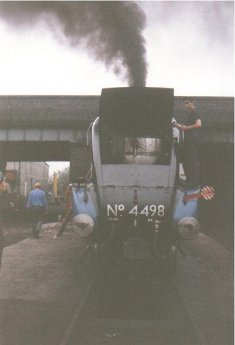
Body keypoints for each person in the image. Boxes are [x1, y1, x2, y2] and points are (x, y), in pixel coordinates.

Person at [174, 100, 202, 188]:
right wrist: (180, 126)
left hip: (191, 139)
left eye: (187, 103)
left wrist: (186, 128)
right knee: (189, 160)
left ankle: (192, 182)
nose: (185, 105)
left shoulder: (195, 112)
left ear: (192, 102)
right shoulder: (191, 113)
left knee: (191, 160)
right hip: (189, 139)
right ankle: (191, 181)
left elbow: (198, 124)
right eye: (185, 103)